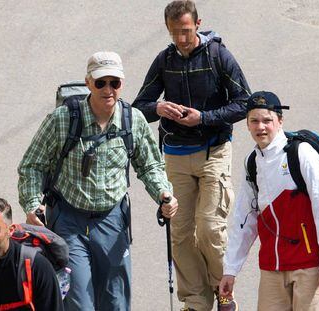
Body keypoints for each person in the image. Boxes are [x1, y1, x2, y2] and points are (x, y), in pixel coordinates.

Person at [18, 51, 178, 311]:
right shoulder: (63, 119)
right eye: (101, 82)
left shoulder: (132, 120)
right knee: (79, 303)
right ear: (88, 82)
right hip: (69, 221)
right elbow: (32, 165)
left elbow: (150, 165)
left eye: (114, 83)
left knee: (116, 302)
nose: (108, 89)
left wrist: (163, 194)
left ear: (122, 84)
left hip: (112, 222)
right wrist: (32, 204)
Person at [132, 1, 251, 310]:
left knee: (210, 227)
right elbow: (138, 107)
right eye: (174, 33)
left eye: (185, 31)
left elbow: (244, 102)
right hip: (175, 155)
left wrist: (205, 117)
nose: (181, 39)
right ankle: (196, 301)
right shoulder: (164, 60)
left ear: (199, 24)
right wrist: (158, 107)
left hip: (214, 150)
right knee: (180, 233)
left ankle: (223, 291)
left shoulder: (218, 56)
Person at [219, 91, 319, 311]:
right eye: (254, 121)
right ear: (247, 124)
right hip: (272, 268)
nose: (261, 127)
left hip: (308, 266)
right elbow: (244, 218)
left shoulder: (301, 153)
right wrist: (230, 269)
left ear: (280, 121)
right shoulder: (252, 162)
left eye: (267, 120)